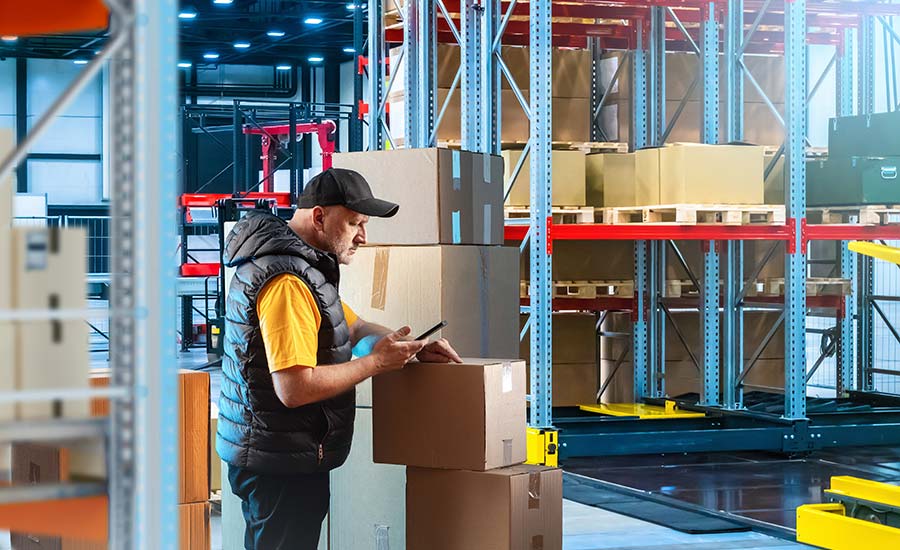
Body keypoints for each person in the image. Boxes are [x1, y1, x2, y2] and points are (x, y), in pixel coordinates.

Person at [216, 168, 462, 550]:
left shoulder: (304, 269)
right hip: (279, 464)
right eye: (354, 223)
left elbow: (355, 326)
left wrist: (404, 345)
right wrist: (376, 364)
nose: (363, 236)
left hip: (280, 453)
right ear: (319, 217)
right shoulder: (288, 282)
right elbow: (293, 388)